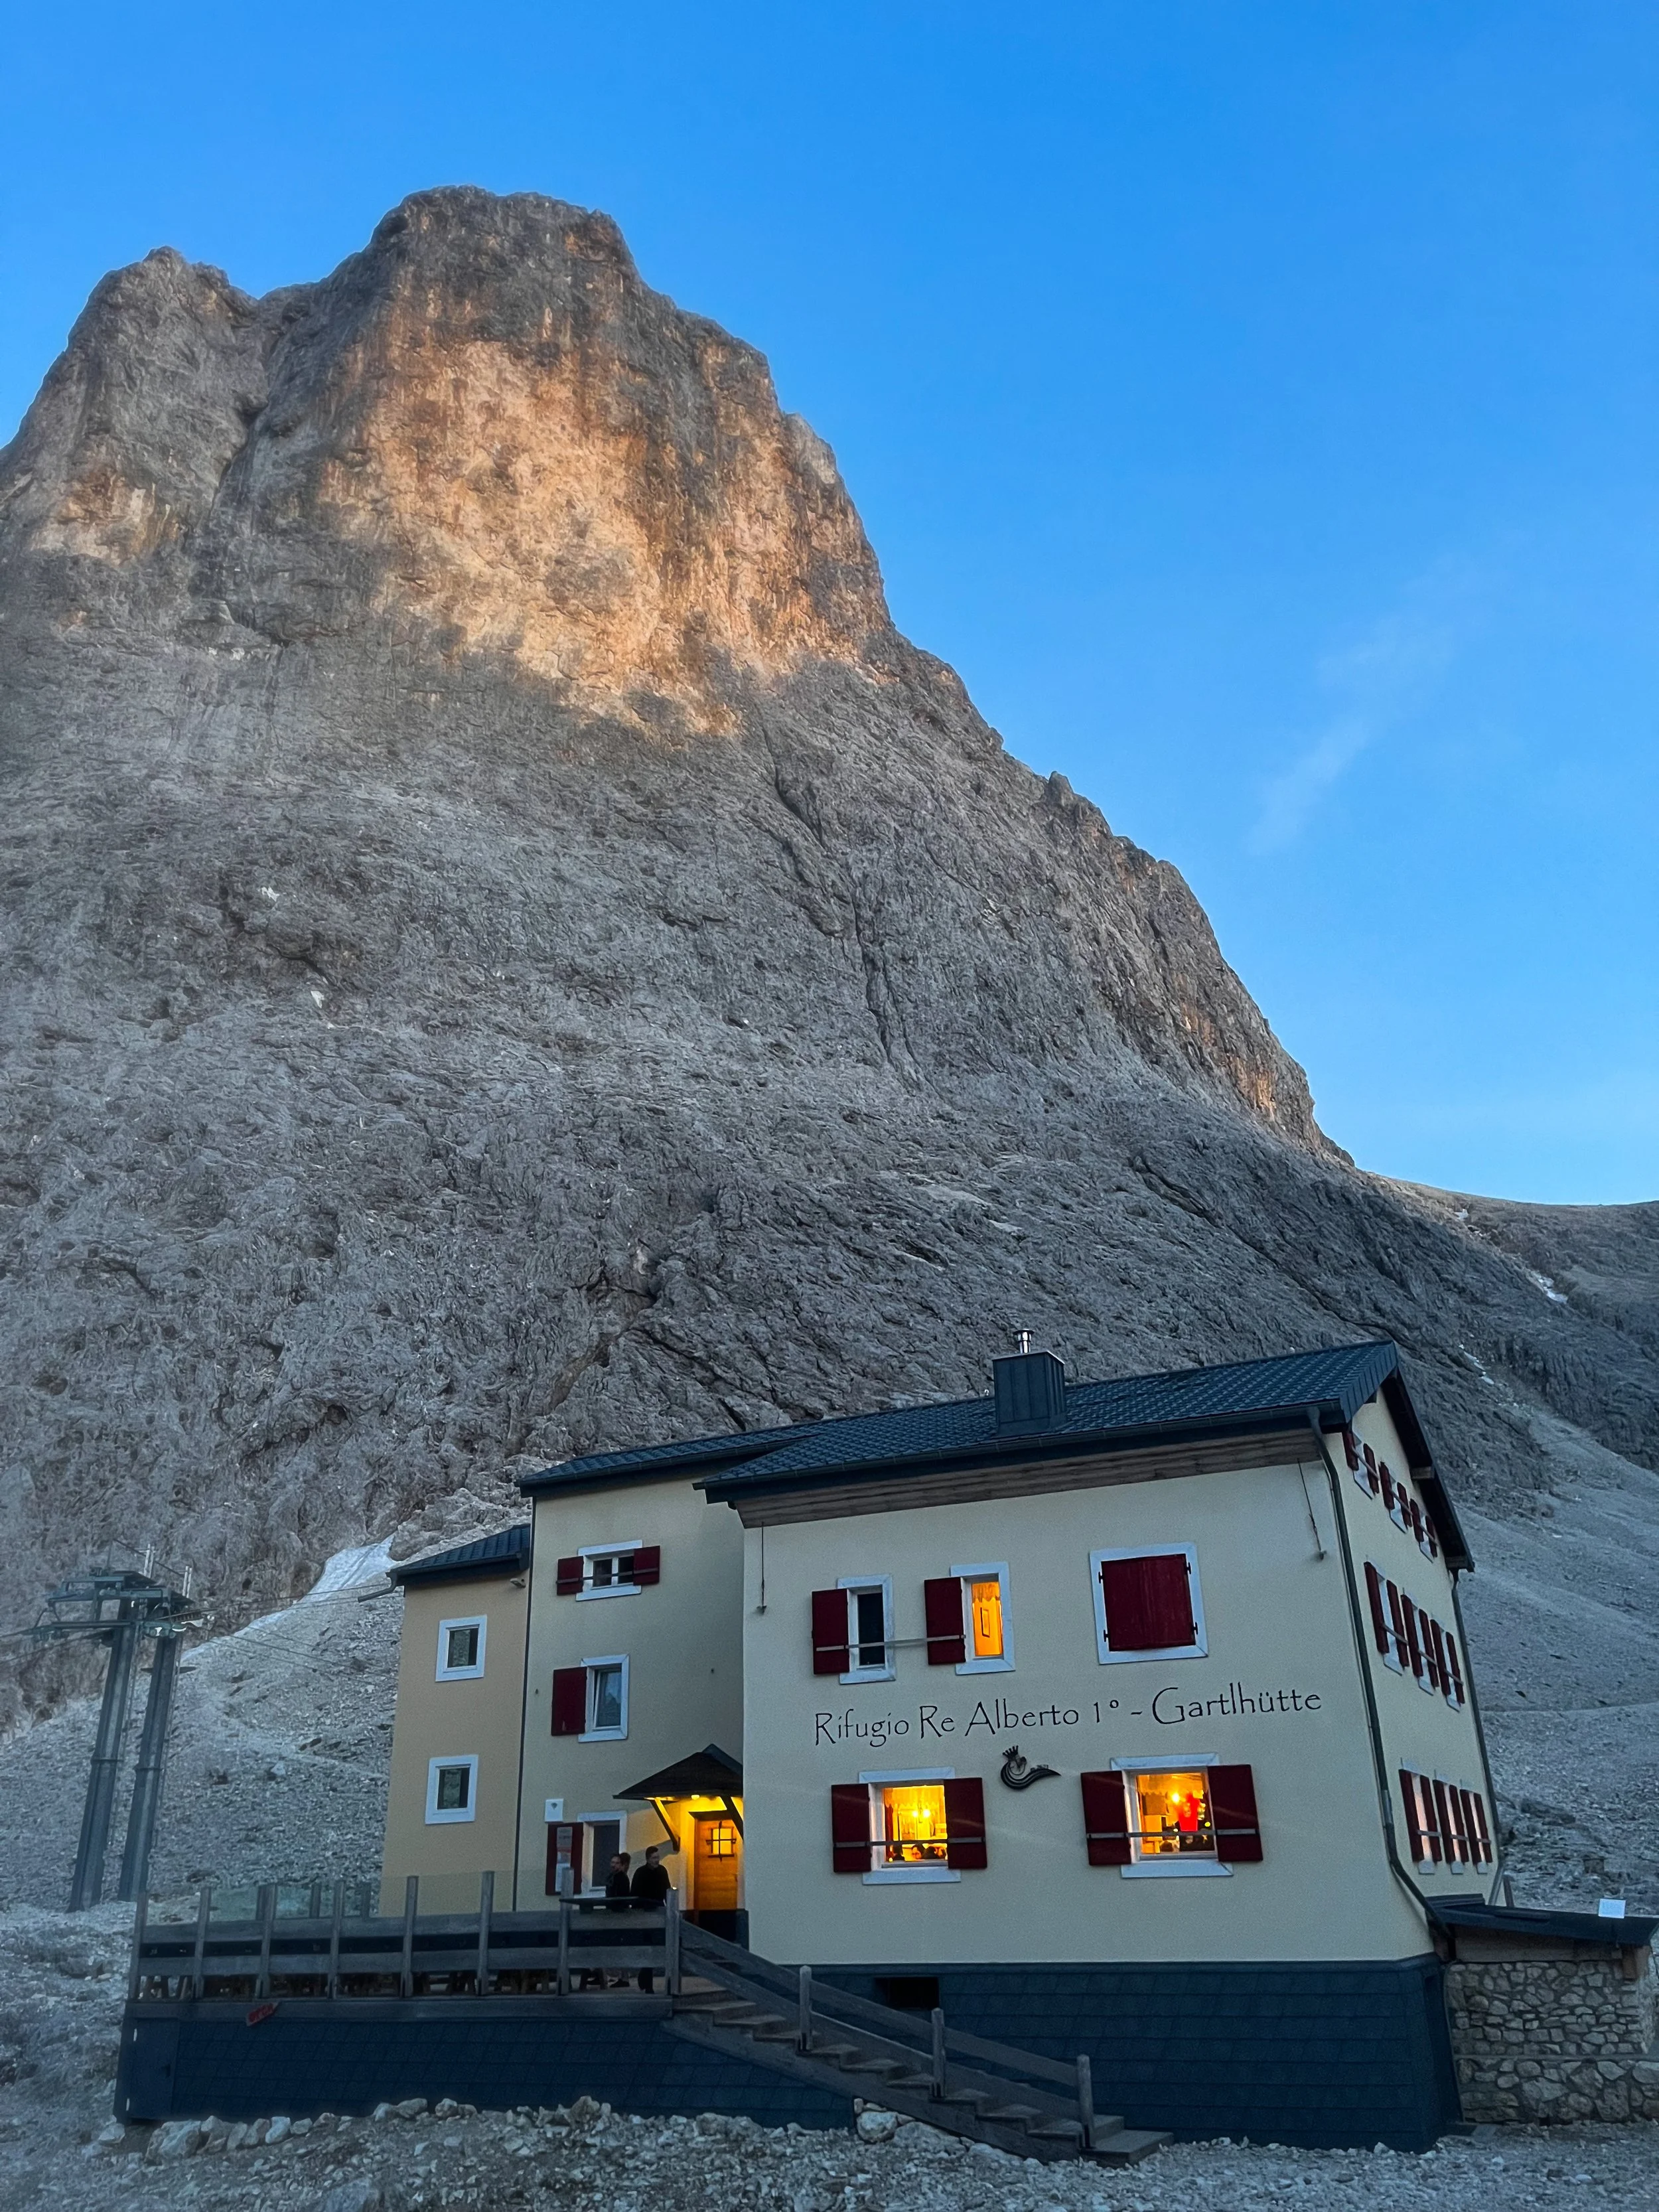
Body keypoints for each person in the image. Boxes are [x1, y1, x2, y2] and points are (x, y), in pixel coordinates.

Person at [630, 1844, 672, 1992]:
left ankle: (645, 1977)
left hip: (659, 1912)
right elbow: (634, 1894)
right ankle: (648, 1983)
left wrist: (669, 1910)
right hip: (644, 1914)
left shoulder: (662, 1872)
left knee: (655, 1948)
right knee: (648, 1948)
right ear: (648, 1859)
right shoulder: (640, 1873)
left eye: (658, 1858)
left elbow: (668, 1890)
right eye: (654, 1858)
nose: (657, 1861)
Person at [603, 1851, 632, 1986]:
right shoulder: (613, 1877)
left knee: (619, 1946)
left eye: (616, 1863)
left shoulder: (620, 1878)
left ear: (621, 1865)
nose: (613, 1865)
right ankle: (617, 1976)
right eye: (612, 1863)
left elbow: (619, 1897)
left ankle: (619, 1976)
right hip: (615, 1914)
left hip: (619, 1915)